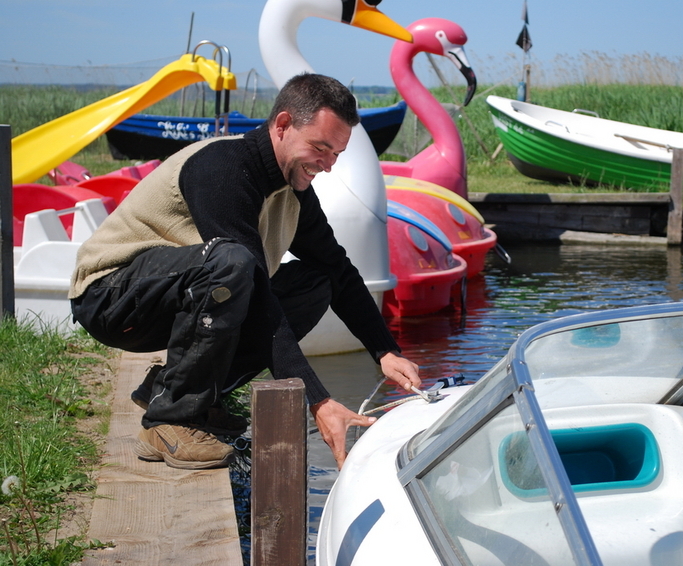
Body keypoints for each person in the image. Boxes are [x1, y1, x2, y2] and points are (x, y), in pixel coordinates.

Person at [69, 73, 421, 471]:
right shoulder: (222, 168)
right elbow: (251, 289)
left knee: (315, 284)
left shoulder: (294, 191)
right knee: (235, 264)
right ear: (284, 125)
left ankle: (173, 391)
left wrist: (385, 350)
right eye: (320, 148)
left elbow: (337, 270)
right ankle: (170, 421)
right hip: (110, 294)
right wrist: (318, 400)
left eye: (336, 153)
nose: (327, 165)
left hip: (176, 292)